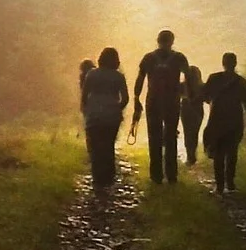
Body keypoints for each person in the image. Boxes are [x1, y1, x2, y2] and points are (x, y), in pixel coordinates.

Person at [133, 29, 190, 184]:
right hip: (172, 102)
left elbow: (140, 79)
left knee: (154, 138)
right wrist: (187, 94)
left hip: (153, 101)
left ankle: (156, 175)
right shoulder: (179, 58)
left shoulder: (149, 58)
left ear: (157, 40)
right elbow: (189, 77)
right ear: (172, 41)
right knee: (171, 137)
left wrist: (136, 98)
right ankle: (171, 175)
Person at [201, 51, 246, 193]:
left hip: (217, 121)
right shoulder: (241, 82)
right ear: (235, 63)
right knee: (232, 153)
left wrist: (214, 102)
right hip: (235, 121)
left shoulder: (214, 78)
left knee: (219, 153)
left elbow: (204, 96)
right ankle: (230, 183)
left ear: (223, 63)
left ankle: (220, 185)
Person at [79, 47, 128, 188]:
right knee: (108, 145)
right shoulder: (118, 76)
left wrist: (87, 110)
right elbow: (125, 98)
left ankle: (97, 177)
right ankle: (108, 177)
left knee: (95, 147)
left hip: (94, 116)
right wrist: (117, 109)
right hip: (112, 117)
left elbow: (84, 96)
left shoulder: (91, 75)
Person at [181, 64, 205, 167]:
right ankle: (192, 155)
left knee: (187, 132)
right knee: (194, 133)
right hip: (197, 110)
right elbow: (207, 98)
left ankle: (190, 155)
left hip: (186, 110)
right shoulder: (202, 86)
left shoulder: (182, 85)